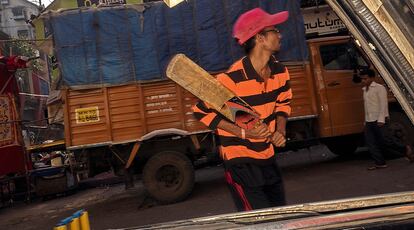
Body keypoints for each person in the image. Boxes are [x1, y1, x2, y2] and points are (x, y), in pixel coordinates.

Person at [192, 8, 292, 211]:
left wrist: (280, 130)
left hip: (267, 157)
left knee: (281, 216)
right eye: (275, 30)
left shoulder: (280, 71)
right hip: (240, 162)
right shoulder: (230, 80)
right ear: (260, 38)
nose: (279, 34)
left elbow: (283, 103)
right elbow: (201, 111)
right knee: (259, 221)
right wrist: (244, 132)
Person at [360, 69, 413, 170]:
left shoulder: (379, 88)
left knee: (385, 142)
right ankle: (380, 163)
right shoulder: (364, 90)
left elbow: (383, 105)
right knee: (370, 142)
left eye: (365, 78)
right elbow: (367, 107)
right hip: (369, 120)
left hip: (379, 120)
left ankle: (405, 149)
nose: (363, 81)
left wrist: (381, 119)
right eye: (362, 79)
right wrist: (365, 121)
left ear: (372, 78)